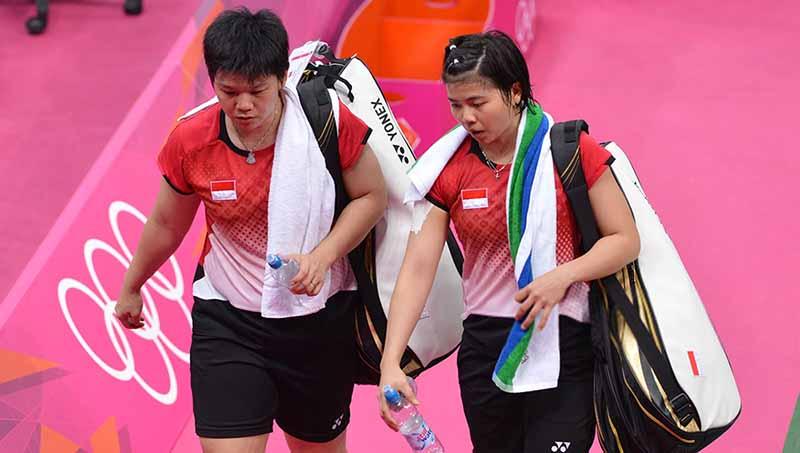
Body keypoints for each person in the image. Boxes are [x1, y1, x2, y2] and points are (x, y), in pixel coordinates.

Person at [115, 8, 387, 453]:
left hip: (317, 320)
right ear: (213, 80)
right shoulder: (191, 140)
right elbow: (167, 222)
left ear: (281, 77)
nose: (243, 105)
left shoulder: (327, 123)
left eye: (257, 91)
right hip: (230, 320)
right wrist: (132, 287)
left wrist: (322, 256)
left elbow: (371, 197)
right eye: (229, 91)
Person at [377, 31, 640, 452]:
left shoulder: (570, 151)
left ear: (515, 91)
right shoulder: (448, 169)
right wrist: (391, 361)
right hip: (485, 348)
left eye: (478, 103)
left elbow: (624, 239)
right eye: (456, 105)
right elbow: (419, 266)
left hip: (561, 340)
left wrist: (561, 277)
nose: (467, 118)